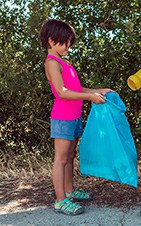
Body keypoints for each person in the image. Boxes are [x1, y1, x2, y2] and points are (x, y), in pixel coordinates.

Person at [39, 19, 113, 215]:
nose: (68, 47)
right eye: (65, 43)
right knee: (61, 159)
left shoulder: (64, 62)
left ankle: (70, 191)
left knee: (70, 156)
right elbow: (62, 92)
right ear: (51, 40)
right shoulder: (52, 63)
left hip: (74, 116)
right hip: (63, 117)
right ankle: (61, 200)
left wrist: (99, 91)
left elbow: (76, 89)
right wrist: (89, 97)